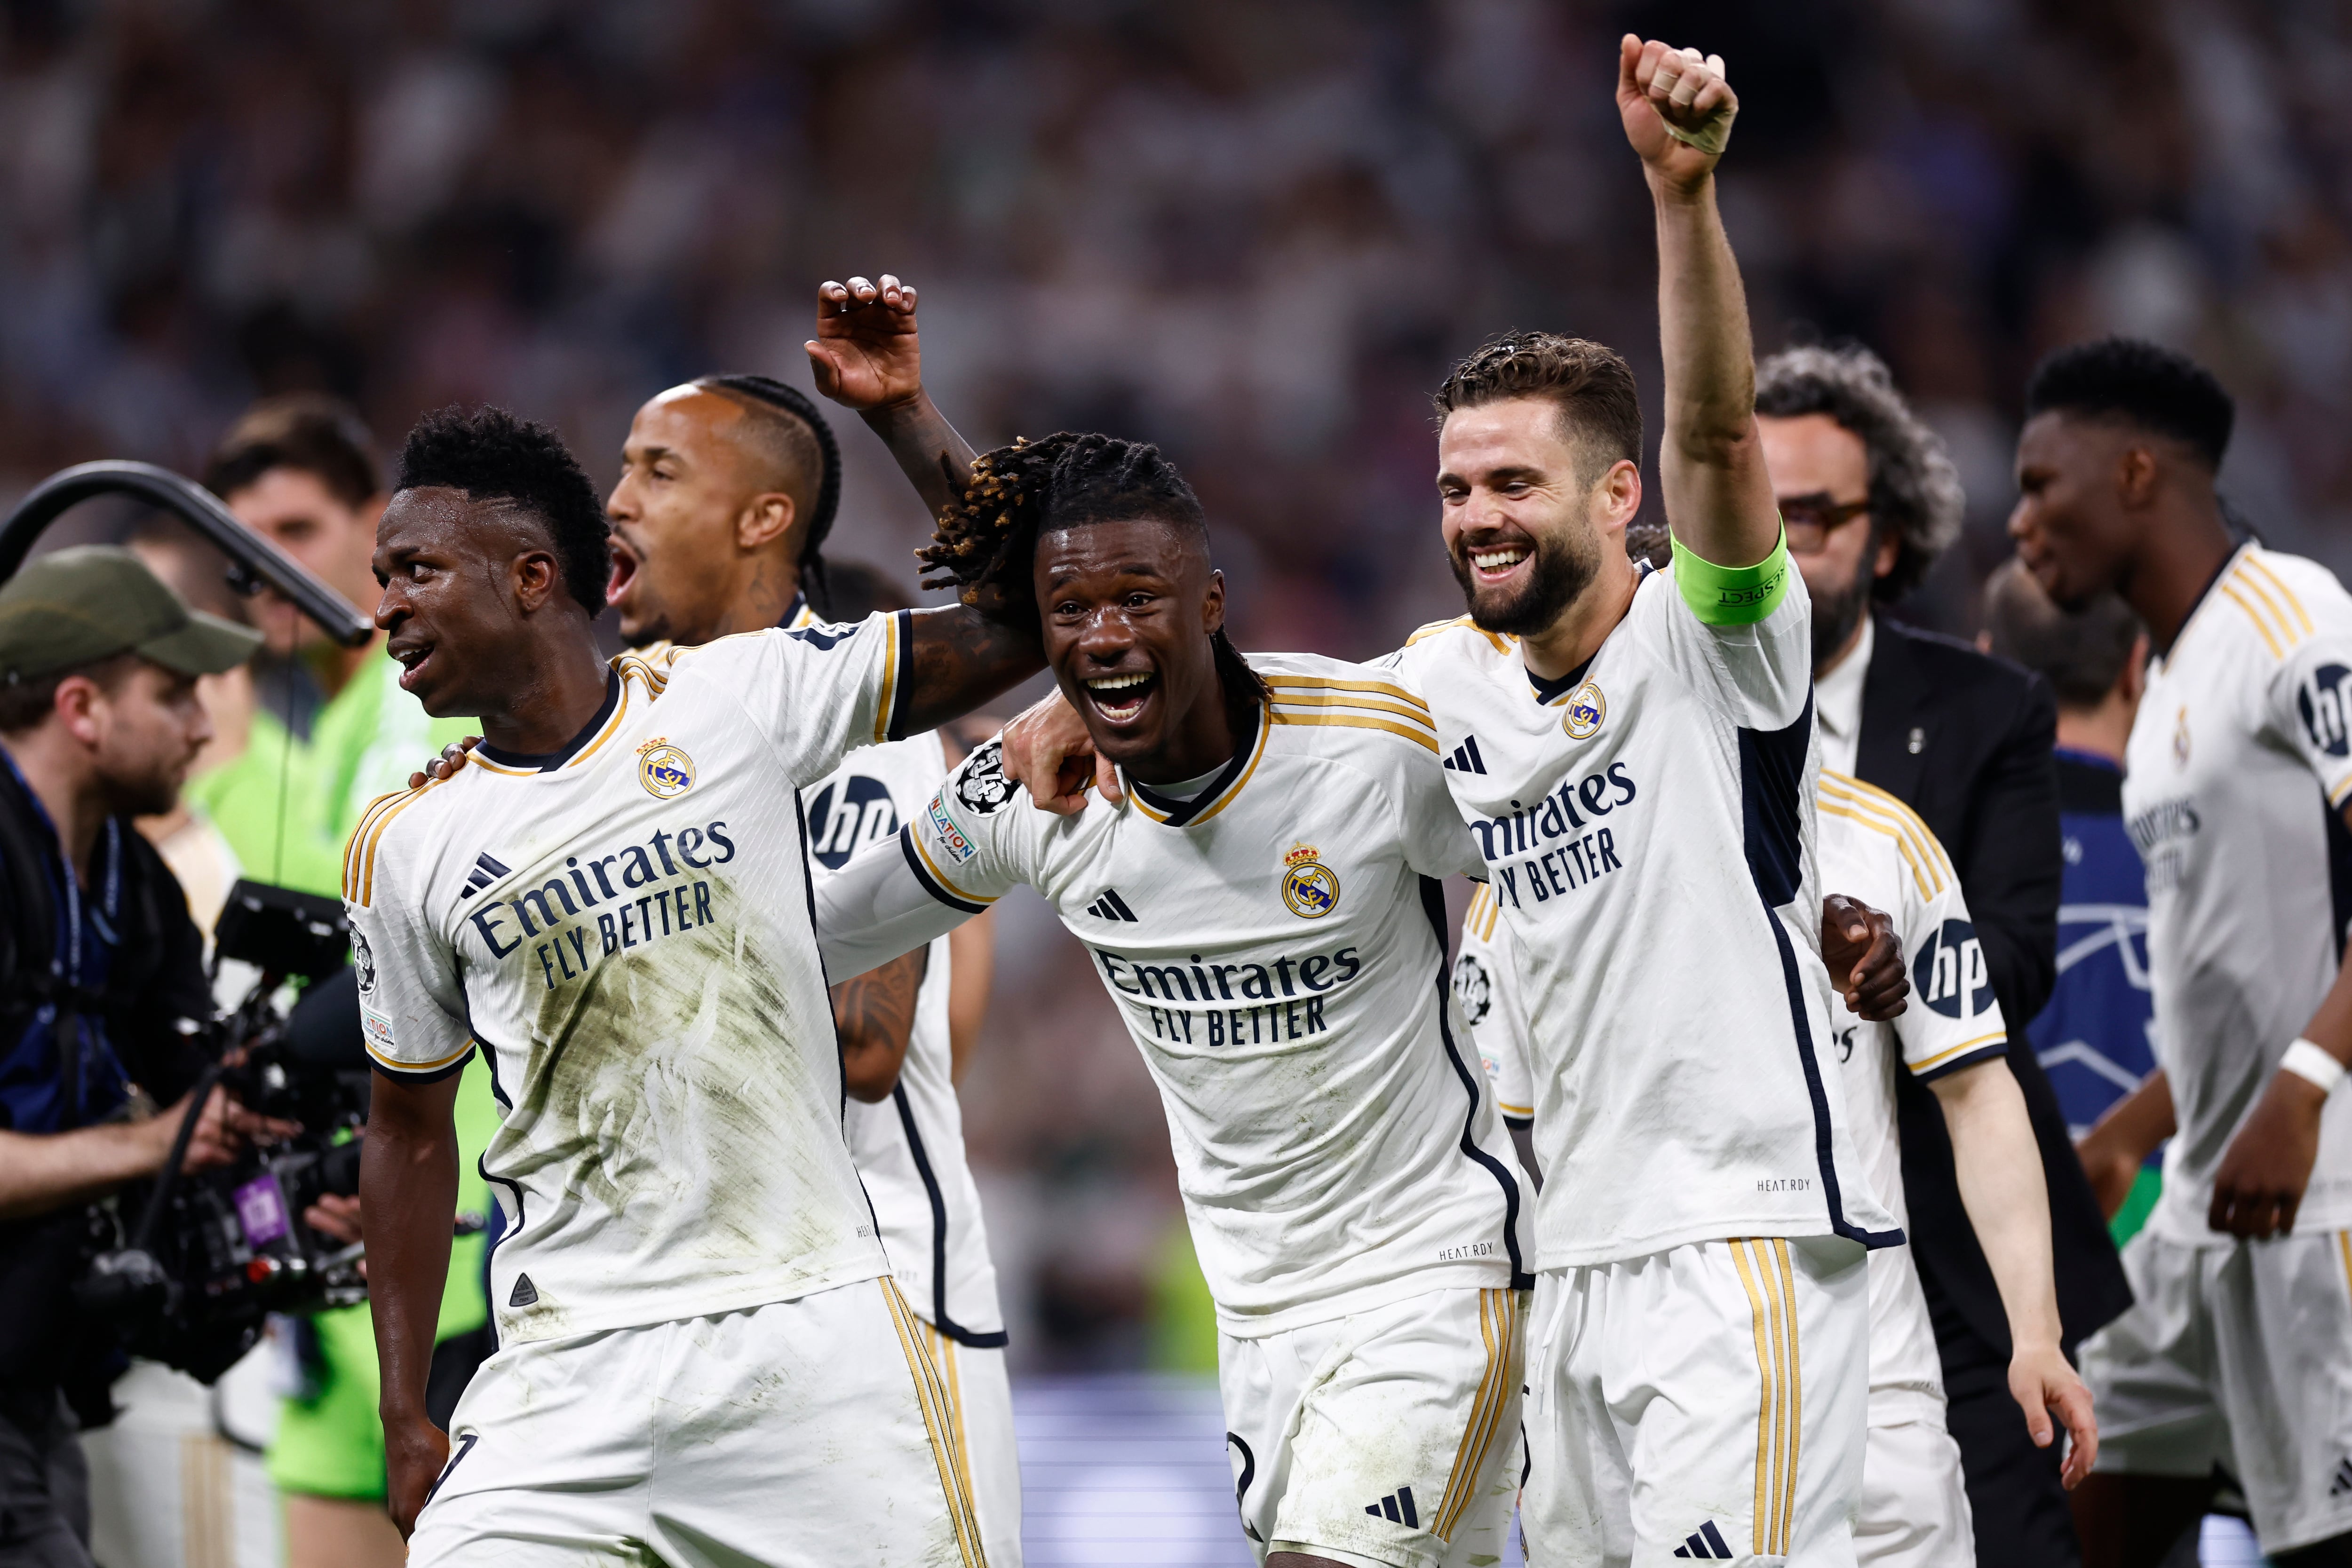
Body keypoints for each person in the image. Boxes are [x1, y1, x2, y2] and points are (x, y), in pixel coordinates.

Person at [811, 423, 1539, 1568]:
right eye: (1071, 611)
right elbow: (828, 924)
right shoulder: (1033, 789)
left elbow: (1562, 873)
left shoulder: (1372, 746)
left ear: (1209, 601)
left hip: (1433, 1276)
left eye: (1137, 599)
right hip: (1253, 1317)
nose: (1105, 638)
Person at [348, 404, 1038, 1563]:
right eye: (381, 577)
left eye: (416, 571)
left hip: (809, 1337)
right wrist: (403, 1407)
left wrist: (902, 419)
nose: (386, 606)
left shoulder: (737, 699)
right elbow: (408, 1129)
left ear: (529, 578)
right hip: (564, 1366)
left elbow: (1024, 621)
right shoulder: (408, 840)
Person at [1457, 754, 2096, 1567]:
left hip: (1875, 1390)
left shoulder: (1881, 836)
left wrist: (2037, 1332)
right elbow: (1501, 1158)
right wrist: (1527, 1386)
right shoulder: (1533, 863)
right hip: (1632, 1394)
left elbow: (1976, 1091)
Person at [602, 372, 1020, 1567]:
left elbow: (866, 1046)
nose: (615, 501)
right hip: (686, 1315)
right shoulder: (625, 738)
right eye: (624, 464)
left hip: (882, 1317)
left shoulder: (855, 723)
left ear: (762, 518)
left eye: (657, 470)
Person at [1755, 342, 2130, 1565]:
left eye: (1814, 515)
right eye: (1758, 513)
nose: (1783, 543)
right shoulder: (1654, 715)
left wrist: (1899, 977)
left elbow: (2019, 957)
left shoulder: (1987, 708)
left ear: (1890, 535)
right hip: (1737, 1254)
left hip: (1957, 1250)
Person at [2009, 336, 2352, 1567]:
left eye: (2045, 483)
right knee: (2071, 1534)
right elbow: (2239, 967)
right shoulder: (2170, 692)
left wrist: (2305, 1090)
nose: (2023, 518)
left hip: (2318, 1202)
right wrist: (2132, 1133)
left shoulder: (2294, 614)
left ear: (2139, 472)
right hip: (2198, 1207)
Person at [186, 397, 502, 1568]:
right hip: (326, 1253)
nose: (267, 566)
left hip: (461, 1257)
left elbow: (383, 940)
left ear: (377, 529)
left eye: (297, 526)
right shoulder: (296, 736)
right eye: (240, 546)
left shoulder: (430, 695)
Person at [0, 547, 285, 1568]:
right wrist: (152, 1146)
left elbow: (203, 1087)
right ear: (82, 707)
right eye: (173, 696)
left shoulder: (128, 872)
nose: (205, 728)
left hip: (42, 1385)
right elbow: (164, 1131)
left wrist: (285, 1187)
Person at [1977, 564, 2161, 1238]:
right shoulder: (2202, 852)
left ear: (1987, 662)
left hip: (1993, 1245)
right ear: (2137, 668)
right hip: (2169, 1242)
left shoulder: (1928, 849)